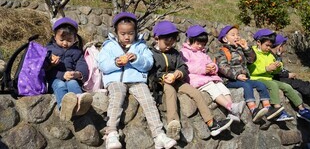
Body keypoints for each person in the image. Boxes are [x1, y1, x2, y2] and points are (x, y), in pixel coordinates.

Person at [98, 12, 176, 149]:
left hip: (137, 80)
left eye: (130, 33)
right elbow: (102, 65)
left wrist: (136, 59)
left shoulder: (141, 46)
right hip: (115, 80)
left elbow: (148, 64)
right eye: (123, 34)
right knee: (117, 96)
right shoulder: (109, 46)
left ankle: (158, 135)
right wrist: (116, 62)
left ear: (135, 32)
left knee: (148, 101)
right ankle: (111, 133)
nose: (127, 37)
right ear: (116, 32)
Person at [149, 21, 233, 141]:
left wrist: (178, 73)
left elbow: (183, 67)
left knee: (196, 93)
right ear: (157, 38)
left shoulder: (175, 53)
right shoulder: (151, 53)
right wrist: (163, 77)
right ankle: (174, 124)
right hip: (162, 82)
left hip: (177, 80)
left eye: (172, 43)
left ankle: (211, 123)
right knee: (170, 91)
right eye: (166, 43)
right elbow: (151, 72)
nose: (169, 46)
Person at [217, 25, 283, 123]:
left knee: (260, 84)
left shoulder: (240, 49)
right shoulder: (223, 51)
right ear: (225, 39)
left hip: (244, 78)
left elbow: (252, 59)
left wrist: (246, 48)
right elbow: (222, 67)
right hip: (230, 80)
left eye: (238, 34)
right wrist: (237, 75)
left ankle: (268, 108)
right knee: (247, 85)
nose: (237, 37)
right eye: (233, 35)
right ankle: (253, 110)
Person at [248, 29, 310, 123]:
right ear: (258, 42)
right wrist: (266, 69)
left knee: (287, 86)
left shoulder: (270, 55)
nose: (269, 48)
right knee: (273, 85)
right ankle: (277, 109)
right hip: (256, 78)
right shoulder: (252, 53)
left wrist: (277, 66)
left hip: (268, 78)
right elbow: (250, 70)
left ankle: (302, 109)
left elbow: (276, 71)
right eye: (267, 45)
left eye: (270, 46)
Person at [180, 25, 246, 123]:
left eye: (202, 44)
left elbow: (211, 62)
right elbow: (186, 67)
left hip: (208, 77)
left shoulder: (203, 53)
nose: (200, 46)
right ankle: (231, 107)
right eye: (198, 44)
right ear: (189, 40)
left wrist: (213, 68)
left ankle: (231, 112)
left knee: (222, 86)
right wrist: (203, 69)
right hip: (195, 78)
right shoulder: (184, 52)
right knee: (212, 87)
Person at [46, 17, 93, 122]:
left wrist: (77, 74)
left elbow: (82, 65)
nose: (65, 43)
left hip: (71, 78)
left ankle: (80, 102)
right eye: (61, 40)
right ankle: (64, 107)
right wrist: (52, 65)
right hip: (54, 79)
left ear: (75, 38)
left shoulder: (76, 51)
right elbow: (45, 70)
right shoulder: (49, 50)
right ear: (54, 37)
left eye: (69, 40)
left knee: (73, 83)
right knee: (59, 85)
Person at [271, 34, 310, 104]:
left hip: (280, 77)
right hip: (276, 79)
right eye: (283, 46)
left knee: (298, 82)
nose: (284, 49)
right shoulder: (271, 57)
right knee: (295, 83)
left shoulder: (277, 57)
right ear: (279, 47)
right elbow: (274, 73)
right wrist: (287, 75)